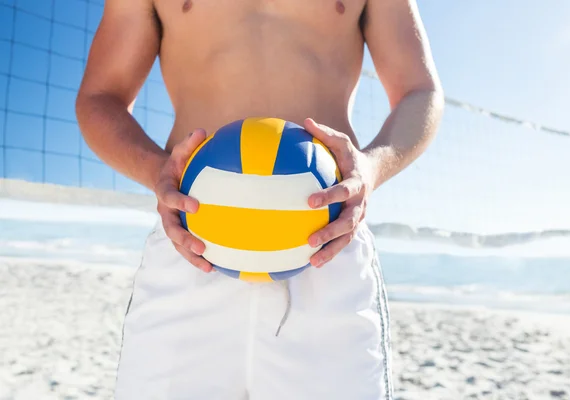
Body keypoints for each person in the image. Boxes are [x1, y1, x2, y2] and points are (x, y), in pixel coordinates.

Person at [76, 0, 443, 398]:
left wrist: (370, 168)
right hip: (191, 242)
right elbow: (100, 96)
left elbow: (420, 91)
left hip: (326, 244)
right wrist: (155, 170)